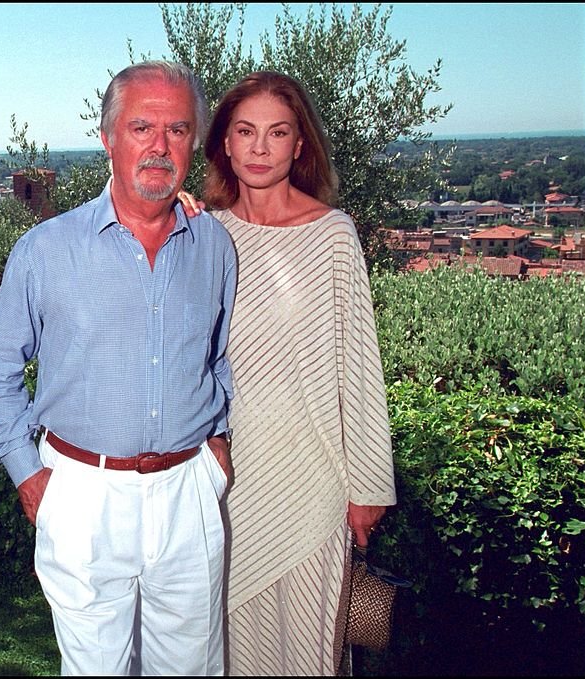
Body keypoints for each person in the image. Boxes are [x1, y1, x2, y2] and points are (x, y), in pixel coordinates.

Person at [0, 61, 237, 676]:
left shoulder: (214, 246)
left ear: (193, 142)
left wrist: (217, 449)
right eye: (142, 126)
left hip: (188, 493)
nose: (159, 146)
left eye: (177, 130)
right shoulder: (46, 250)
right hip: (81, 494)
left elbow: (219, 357)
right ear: (108, 135)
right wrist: (26, 473)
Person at [179, 70, 397, 675]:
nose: (259, 147)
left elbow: (358, 367)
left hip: (314, 480)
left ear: (300, 145)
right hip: (225, 481)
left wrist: (369, 487)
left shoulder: (333, 235)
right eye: (245, 131)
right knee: (224, 649)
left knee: (307, 653)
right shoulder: (202, 234)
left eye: (277, 133)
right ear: (223, 142)